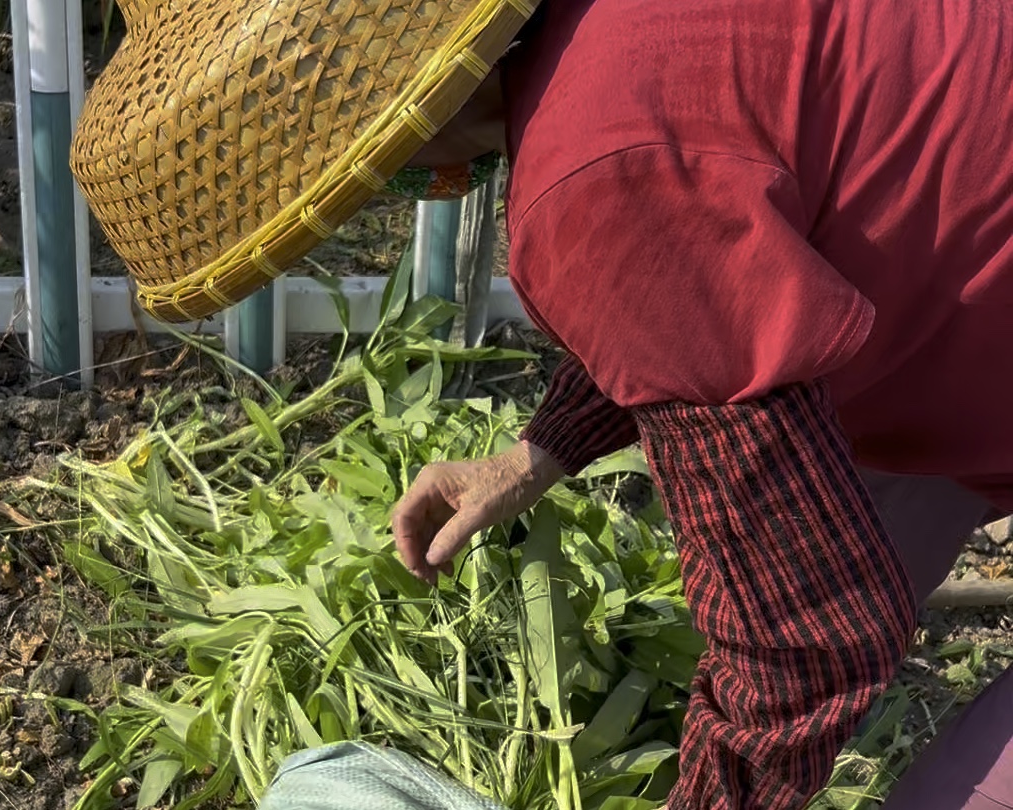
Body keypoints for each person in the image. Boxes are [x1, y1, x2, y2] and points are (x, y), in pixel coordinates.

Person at [388, 1, 1013, 808]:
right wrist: (533, 453)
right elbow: (699, 287)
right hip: (971, 300)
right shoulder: (615, 37)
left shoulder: (589, 179)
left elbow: (808, 646)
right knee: (836, 514)